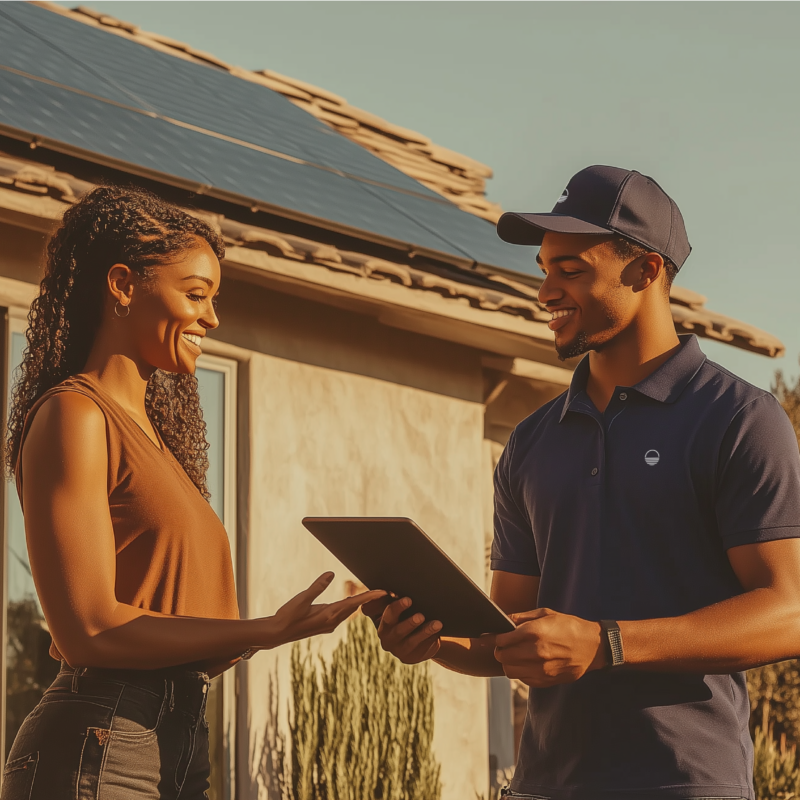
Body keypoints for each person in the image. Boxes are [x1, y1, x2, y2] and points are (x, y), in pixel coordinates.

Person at [366, 165, 800, 800]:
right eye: (544, 269)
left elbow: (787, 612)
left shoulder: (738, 419)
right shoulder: (532, 442)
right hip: (546, 784)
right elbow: (505, 636)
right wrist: (431, 641)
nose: (545, 292)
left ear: (646, 271)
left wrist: (607, 645)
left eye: (570, 271)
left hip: (684, 783)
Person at [0, 185, 383, 800]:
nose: (212, 318)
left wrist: (284, 627)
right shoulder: (76, 415)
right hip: (101, 744)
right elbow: (88, 631)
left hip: (175, 741)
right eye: (196, 294)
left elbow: (190, 638)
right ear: (123, 285)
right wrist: (263, 629)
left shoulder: (159, 445)